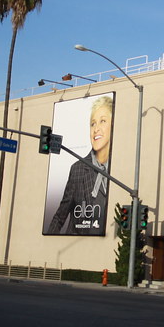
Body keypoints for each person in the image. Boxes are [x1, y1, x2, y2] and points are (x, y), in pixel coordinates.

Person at [45, 95, 113, 235]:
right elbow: (60, 216)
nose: (96, 129)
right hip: (77, 244)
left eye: (103, 121)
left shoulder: (121, 167)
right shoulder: (78, 169)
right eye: (93, 123)